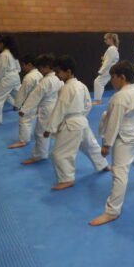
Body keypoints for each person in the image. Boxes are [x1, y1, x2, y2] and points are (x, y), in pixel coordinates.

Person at [90, 61, 134, 226]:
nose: (111, 80)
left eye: (113, 77)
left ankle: (112, 211)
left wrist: (106, 144)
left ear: (122, 77)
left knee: (119, 173)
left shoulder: (119, 97)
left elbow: (114, 123)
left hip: (123, 138)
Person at [44, 55, 109, 191]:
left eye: (58, 71)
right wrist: (80, 116)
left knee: (59, 153)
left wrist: (49, 128)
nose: (57, 75)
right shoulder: (81, 85)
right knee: (90, 146)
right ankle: (103, 165)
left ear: (68, 71)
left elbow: (60, 108)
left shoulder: (67, 88)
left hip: (71, 124)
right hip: (82, 121)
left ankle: (66, 179)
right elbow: (88, 104)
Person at [18, 54, 64, 165]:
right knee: (56, 131)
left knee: (40, 133)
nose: (39, 70)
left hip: (46, 110)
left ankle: (40, 155)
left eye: (40, 68)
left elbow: (35, 96)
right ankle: (56, 151)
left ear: (47, 67)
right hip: (57, 108)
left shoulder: (45, 81)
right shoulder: (59, 78)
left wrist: (24, 109)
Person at [8, 55, 43, 149]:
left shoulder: (29, 77)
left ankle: (23, 141)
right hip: (39, 102)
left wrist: (16, 105)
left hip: (29, 103)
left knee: (24, 120)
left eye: (23, 65)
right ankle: (29, 135)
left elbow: (22, 93)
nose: (22, 67)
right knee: (32, 119)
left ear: (29, 65)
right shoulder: (39, 74)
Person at [93, 33, 120, 105]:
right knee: (115, 84)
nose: (105, 41)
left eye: (106, 39)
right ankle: (120, 97)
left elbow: (107, 62)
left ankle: (98, 100)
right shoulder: (113, 48)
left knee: (98, 82)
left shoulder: (111, 49)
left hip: (108, 69)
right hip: (111, 69)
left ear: (110, 39)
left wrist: (101, 71)